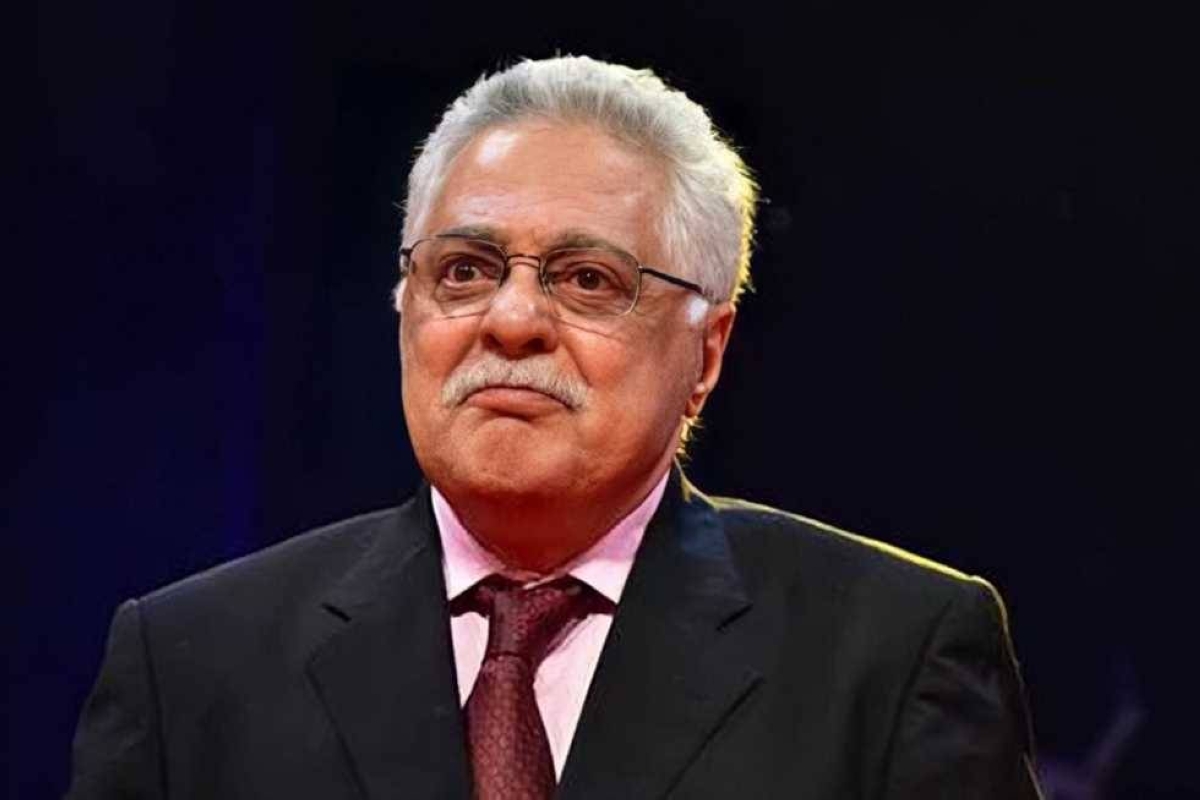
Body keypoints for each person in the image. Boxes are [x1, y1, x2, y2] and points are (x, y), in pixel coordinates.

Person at [67, 56, 1043, 799]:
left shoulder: (891, 660)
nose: (512, 320)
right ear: (404, 308)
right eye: (463, 270)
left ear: (706, 354)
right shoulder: (189, 666)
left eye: (587, 280)